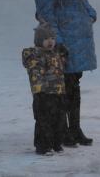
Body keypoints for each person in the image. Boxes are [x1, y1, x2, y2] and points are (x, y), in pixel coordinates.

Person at [32, 0, 97, 147]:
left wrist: (89, 12)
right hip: (62, 35)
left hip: (80, 32)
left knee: (74, 84)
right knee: (62, 87)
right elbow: (45, 12)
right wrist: (56, 39)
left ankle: (75, 128)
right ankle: (63, 131)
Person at [22, 23, 68, 155]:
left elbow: (60, 67)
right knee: (44, 121)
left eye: (52, 38)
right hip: (43, 94)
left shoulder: (55, 54)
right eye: (46, 39)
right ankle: (43, 146)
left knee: (59, 120)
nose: (50, 41)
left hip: (58, 93)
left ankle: (56, 143)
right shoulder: (36, 56)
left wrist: (64, 54)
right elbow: (36, 74)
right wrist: (40, 92)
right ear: (39, 41)